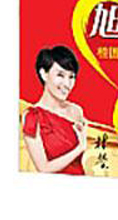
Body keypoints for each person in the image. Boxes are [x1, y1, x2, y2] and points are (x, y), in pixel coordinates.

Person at [22, 46, 86, 175]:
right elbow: (43, 168)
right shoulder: (32, 117)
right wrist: (79, 148)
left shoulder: (76, 111)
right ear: (43, 74)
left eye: (71, 77)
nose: (67, 84)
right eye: (60, 75)